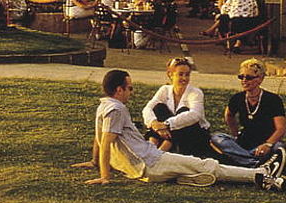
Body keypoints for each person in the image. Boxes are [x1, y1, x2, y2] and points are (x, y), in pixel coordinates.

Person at [84, 68, 266, 188]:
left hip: (148, 163)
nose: (132, 93)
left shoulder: (104, 106)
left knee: (195, 166)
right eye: (130, 88)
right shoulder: (117, 109)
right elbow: (106, 141)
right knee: (208, 165)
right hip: (151, 163)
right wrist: (105, 176)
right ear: (119, 90)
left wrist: (94, 161)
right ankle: (258, 174)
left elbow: (99, 138)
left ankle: (183, 177)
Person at [211, 59, 286, 167]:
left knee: (279, 147)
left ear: (260, 79)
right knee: (216, 137)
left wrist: (267, 144)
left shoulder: (273, 99)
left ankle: (241, 159)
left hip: (265, 142)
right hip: (244, 142)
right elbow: (228, 115)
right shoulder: (237, 98)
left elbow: (281, 128)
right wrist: (235, 133)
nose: (244, 80)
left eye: (249, 77)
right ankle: (252, 162)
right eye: (241, 77)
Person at [142, 55, 215, 158]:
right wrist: (154, 124)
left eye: (187, 75)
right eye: (180, 74)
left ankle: (160, 153)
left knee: (184, 111)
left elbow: (195, 115)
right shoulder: (164, 89)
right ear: (170, 74)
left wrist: (167, 124)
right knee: (159, 107)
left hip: (194, 132)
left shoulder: (196, 92)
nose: (184, 78)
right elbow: (148, 108)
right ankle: (151, 146)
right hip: (167, 131)